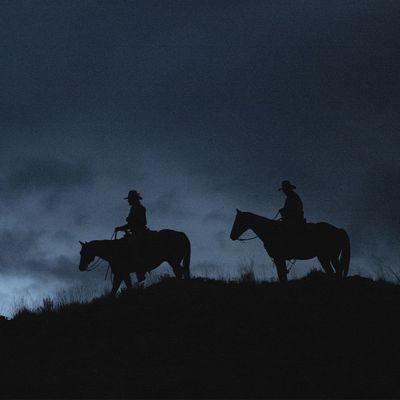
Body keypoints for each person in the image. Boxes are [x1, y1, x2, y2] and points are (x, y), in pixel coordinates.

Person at [115, 190, 148, 281]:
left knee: (134, 247)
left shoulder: (140, 208)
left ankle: (140, 270)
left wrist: (131, 225)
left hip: (139, 232)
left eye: (129, 199)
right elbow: (130, 224)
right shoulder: (134, 208)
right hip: (135, 232)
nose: (128, 201)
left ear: (133, 199)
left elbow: (143, 222)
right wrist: (121, 228)